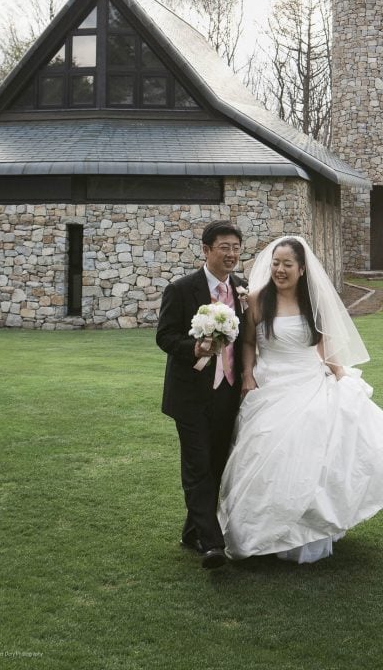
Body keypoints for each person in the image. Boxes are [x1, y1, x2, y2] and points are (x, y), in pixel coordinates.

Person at [218, 236, 383, 563]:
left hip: (309, 380)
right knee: (266, 449)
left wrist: (340, 373)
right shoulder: (258, 300)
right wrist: (248, 374)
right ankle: (261, 529)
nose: (280, 270)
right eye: (276, 263)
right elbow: (247, 343)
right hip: (272, 384)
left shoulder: (312, 302)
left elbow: (323, 346)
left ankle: (308, 528)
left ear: (302, 269)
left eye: (287, 264)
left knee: (314, 452)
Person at [156, 219, 247, 570]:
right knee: (197, 466)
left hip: (226, 393)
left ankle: (192, 531)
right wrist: (193, 349)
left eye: (236, 247)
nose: (231, 254)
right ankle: (212, 544)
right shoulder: (181, 289)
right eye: (224, 247)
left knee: (216, 465)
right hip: (190, 395)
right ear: (206, 250)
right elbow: (164, 336)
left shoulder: (242, 289)